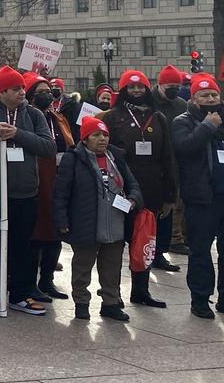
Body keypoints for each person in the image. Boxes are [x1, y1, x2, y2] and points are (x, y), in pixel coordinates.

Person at [0, 66, 57, 315]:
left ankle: (20, 294)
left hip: (27, 192)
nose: (21, 93)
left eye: (22, 88)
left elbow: (48, 147)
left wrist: (18, 134)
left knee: (24, 248)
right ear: (1, 90)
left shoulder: (35, 115)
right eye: (15, 89)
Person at [53, 116, 143, 322]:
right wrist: (62, 221)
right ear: (85, 139)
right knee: (82, 266)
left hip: (115, 223)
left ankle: (110, 303)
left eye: (105, 135)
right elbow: (60, 193)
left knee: (112, 267)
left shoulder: (117, 157)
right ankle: (82, 303)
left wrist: (132, 200)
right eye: (96, 135)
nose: (102, 139)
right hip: (86, 223)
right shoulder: (73, 159)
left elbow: (134, 185)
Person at [101, 70, 178, 307]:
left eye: (141, 87)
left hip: (151, 191)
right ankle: (112, 296)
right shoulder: (112, 117)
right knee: (114, 246)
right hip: (120, 190)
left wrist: (170, 195)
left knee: (144, 242)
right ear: (123, 91)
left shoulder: (158, 118)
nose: (137, 91)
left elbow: (168, 157)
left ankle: (141, 291)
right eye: (131, 88)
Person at [171, 75, 224, 319]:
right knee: (201, 251)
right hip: (202, 197)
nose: (211, 99)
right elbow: (184, 148)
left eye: (214, 94)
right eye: (205, 95)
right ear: (194, 99)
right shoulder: (184, 121)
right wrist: (207, 126)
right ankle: (200, 299)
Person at [24, 72, 74, 301]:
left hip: (60, 179)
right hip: (37, 178)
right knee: (37, 233)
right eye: (41, 91)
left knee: (56, 231)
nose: (47, 95)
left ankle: (47, 281)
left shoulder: (58, 116)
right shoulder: (29, 117)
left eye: (49, 91)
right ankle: (30, 283)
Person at [153, 65, 190, 256]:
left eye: (178, 85)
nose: (174, 89)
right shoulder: (149, 102)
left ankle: (172, 241)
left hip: (177, 159)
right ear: (160, 85)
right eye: (170, 85)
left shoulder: (182, 105)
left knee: (177, 203)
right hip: (155, 162)